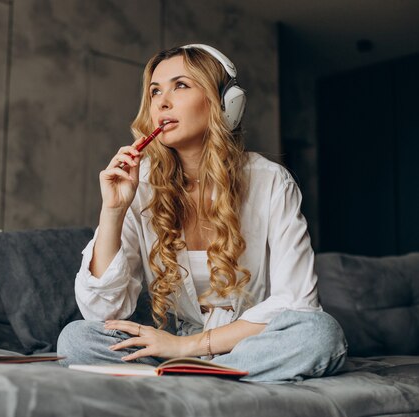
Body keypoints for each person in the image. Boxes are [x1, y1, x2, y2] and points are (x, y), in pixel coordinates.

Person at [57, 44, 347, 382]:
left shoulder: (271, 182)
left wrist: (186, 348)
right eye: (155, 91)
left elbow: (299, 302)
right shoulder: (142, 183)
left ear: (226, 103)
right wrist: (113, 210)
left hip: (248, 342)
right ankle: (217, 377)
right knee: (75, 338)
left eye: (180, 85)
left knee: (320, 334)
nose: (162, 102)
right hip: (177, 345)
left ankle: (185, 375)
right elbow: (102, 312)